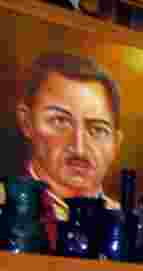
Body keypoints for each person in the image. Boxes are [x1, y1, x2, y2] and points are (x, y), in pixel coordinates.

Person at [13, 52, 123, 249]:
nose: (79, 147)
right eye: (60, 121)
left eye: (98, 129)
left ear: (116, 143)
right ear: (26, 122)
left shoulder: (129, 229)